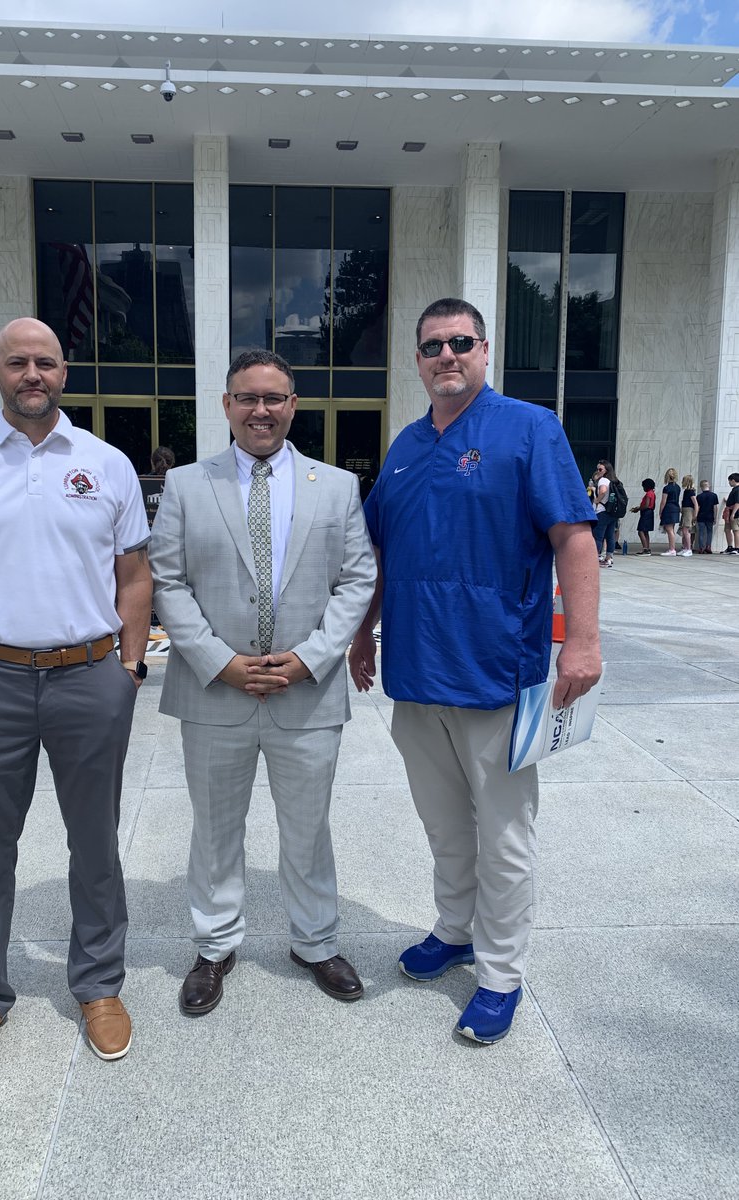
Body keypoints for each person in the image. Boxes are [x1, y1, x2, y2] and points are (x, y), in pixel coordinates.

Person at [348, 298, 601, 1045]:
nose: (446, 355)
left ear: (484, 351)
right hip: (417, 679)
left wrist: (581, 643)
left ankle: (499, 974)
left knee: (506, 833)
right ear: (417, 359)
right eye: (432, 346)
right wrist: (364, 635)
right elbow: (381, 557)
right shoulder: (402, 448)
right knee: (443, 825)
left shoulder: (529, 429)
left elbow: (574, 541)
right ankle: (453, 929)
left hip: (498, 675)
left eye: (461, 342)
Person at [0, 318, 152, 1081]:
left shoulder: (106, 464)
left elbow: (134, 575)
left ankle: (99, 985)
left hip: (90, 680)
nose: (32, 373)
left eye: (45, 361)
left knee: (96, 845)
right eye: (17, 361)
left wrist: (130, 667)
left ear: (64, 372)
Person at [149, 349, 376, 1016]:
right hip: (215, 690)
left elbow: (357, 579)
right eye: (247, 397)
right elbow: (169, 581)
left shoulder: (336, 487)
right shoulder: (189, 485)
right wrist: (218, 661)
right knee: (216, 830)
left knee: (308, 829)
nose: (261, 410)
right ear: (226, 406)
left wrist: (313, 657)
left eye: (274, 398)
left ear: (293, 405)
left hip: (305, 692)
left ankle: (316, 942)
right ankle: (215, 946)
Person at [592, 459, 619, 568]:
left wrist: (597, 500)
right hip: (611, 512)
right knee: (610, 536)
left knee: (598, 536)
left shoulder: (603, 480)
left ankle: (595, 558)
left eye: (600, 469)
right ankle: (609, 558)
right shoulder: (613, 480)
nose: (598, 471)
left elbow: (602, 491)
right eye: (597, 469)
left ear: (606, 470)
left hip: (602, 512)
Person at [659, 467, 681, 555]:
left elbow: (663, 501)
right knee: (672, 529)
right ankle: (672, 548)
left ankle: (672, 549)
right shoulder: (678, 487)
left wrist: (660, 511)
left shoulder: (666, 488)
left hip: (668, 509)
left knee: (669, 530)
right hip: (676, 508)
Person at [631, 478, 656, 554]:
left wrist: (638, 508)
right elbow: (653, 506)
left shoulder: (648, 494)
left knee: (640, 531)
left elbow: (646, 505)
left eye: (643, 487)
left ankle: (645, 549)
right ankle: (647, 548)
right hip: (650, 512)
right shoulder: (653, 493)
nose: (643, 488)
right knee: (646, 532)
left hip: (646, 513)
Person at [695, 481, 718, 554]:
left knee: (701, 532)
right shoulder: (714, 495)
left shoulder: (699, 496)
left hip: (701, 516)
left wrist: (695, 516)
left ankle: (701, 548)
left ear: (701, 487)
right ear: (709, 486)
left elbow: (697, 507)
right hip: (710, 516)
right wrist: (715, 517)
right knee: (709, 532)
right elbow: (715, 507)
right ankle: (708, 546)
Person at [678, 475, 698, 557]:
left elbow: (695, 504)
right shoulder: (687, 491)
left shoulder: (690, 492)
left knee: (686, 530)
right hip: (685, 511)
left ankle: (689, 549)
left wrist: (695, 515)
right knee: (684, 530)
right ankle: (685, 548)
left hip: (688, 511)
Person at [722, 473, 739, 554]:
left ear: (733, 480)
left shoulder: (738, 489)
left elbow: (737, 503)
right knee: (727, 529)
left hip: (735, 514)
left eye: (729, 481)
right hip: (730, 513)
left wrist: (733, 514)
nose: (729, 483)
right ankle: (730, 547)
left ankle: (737, 548)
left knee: (736, 530)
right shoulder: (734, 489)